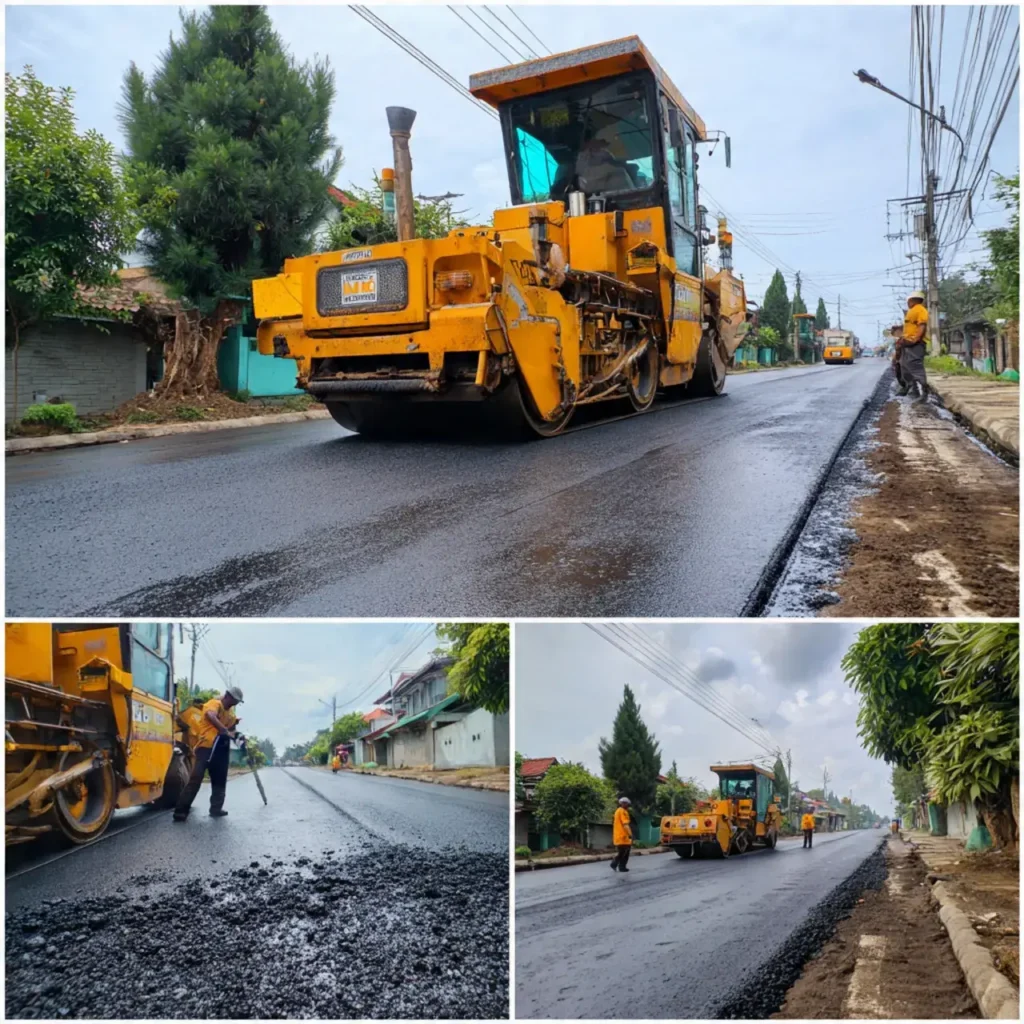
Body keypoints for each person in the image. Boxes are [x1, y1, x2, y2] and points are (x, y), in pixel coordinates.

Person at [173, 686, 244, 822]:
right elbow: (210, 715)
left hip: (221, 750)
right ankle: (180, 811)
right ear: (227, 696)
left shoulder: (230, 713)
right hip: (206, 748)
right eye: (234, 700)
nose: (235, 704)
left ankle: (216, 809)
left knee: (220, 780)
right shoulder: (214, 704)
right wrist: (223, 729)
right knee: (196, 779)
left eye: (237, 702)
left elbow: (232, 729)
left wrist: (238, 736)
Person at [901, 290, 930, 401]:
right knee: (905, 366)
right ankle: (913, 390)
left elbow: (921, 325)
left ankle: (924, 392)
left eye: (908, 300)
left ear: (912, 300)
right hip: (907, 343)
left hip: (916, 343)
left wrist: (916, 339)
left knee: (915, 366)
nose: (908, 303)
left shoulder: (920, 310)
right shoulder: (911, 311)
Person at [610, 797, 633, 872]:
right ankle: (619, 865)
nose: (626, 805)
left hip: (618, 835)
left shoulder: (617, 811)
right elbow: (625, 824)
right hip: (623, 836)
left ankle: (617, 865)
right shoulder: (623, 812)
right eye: (625, 803)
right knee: (624, 852)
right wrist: (630, 834)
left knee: (622, 852)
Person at [890, 324, 907, 393]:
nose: (895, 336)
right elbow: (897, 351)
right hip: (898, 361)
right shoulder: (899, 340)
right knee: (899, 374)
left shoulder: (905, 339)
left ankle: (907, 388)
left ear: (898, 331)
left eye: (895, 334)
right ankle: (904, 388)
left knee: (903, 375)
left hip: (904, 361)